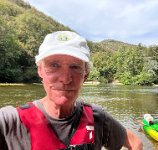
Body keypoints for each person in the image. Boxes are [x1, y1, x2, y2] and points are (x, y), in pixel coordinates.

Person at [0, 31, 143, 150]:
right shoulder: (10, 122)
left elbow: (135, 143)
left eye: (75, 67)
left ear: (85, 76)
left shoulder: (97, 117)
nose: (65, 78)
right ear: (40, 71)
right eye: (54, 65)